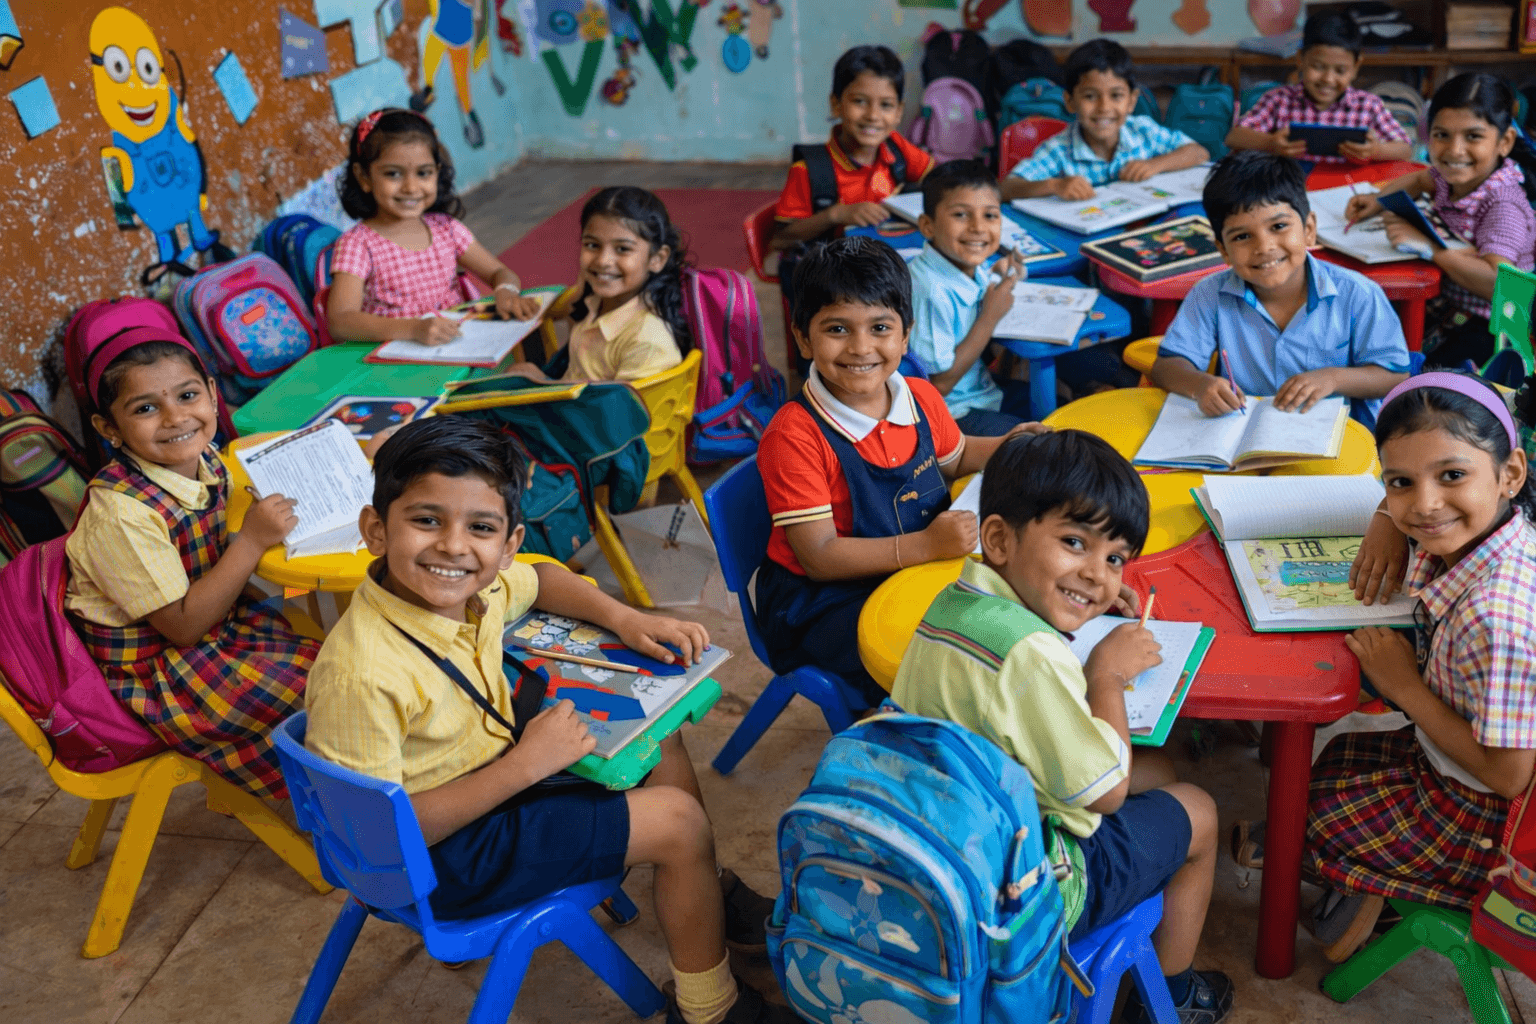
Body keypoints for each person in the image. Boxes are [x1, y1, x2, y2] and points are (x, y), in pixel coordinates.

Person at [304, 416, 790, 1024]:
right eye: (426, 520)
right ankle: (711, 1011)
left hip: (486, 779)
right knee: (679, 821)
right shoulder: (363, 671)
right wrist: (526, 765)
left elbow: (544, 579)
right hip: (445, 860)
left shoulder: (472, 589)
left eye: (480, 528)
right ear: (376, 529)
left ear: (507, 543)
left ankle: (703, 884)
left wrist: (625, 618)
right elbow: (383, 835)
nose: (454, 546)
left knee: (654, 732)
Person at [891, 430, 1232, 1024]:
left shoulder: (953, 602)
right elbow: (1108, 792)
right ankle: (1173, 995)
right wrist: (1106, 678)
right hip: (1025, 886)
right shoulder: (1032, 654)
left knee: (1162, 769)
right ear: (998, 538)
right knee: (1198, 808)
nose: (1099, 577)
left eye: (1115, 558)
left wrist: (1078, 584)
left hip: (949, 829)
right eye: (1075, 542)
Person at [1252, 373, 1534, 964]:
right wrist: (1387, 516)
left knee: (1304, 824)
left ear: (1510, 473)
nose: (1425, 504)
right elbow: (1421, 492)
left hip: (1490, 821)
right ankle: (1373, 877)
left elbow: (1508, 778)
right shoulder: (1499, 535)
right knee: (1330, 764)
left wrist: (1404, 687)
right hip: (1453, 769)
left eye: (1452, 476)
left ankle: (1382, 893)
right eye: (1401, 483)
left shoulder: (1500, 619)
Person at [756, 236, 1046, 712]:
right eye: (837, 329)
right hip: (824, 602)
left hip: (917, 569)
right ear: (803, 337)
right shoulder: (795, 435)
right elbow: (820, 557)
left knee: (1016, 605)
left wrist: (1009, 448)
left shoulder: (919, 397)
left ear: (905, 334)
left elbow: (952, 458)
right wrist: (926, 546)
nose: (861, 347)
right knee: (959, 665)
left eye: (880, 327)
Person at [65, 329, 312, 799]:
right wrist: (253, 541)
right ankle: (349, 808)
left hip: (222, 626)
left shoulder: (204, 459)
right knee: (328, 692)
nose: (176, 418)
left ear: (213, 395)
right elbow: (181, 627)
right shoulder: (120, 514)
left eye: (188, 395)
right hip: (163, 672)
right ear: (108, 428)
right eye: (144, 408)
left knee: (347, 656)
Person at [1151, 150, 1410, 426]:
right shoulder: (1209, 295)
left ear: (1309, 229)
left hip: (1338, 439)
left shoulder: (1358, 294)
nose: (1264, 247)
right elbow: (1167, 367)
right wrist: (1200, 384)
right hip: (1241, 434)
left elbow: (1394, 376)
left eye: (1278, 226)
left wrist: (1333, 378)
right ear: (1223, 250)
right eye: (1242, 236)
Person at [1343, 74, 1536, 370]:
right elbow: (1421, 178)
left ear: (1505, 141)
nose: (1454, 150)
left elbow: (1498, 284)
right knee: (1368, 335)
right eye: (1441, 135)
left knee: (1412, 377)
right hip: (1447, 300)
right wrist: (1378, 200)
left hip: (1491, 328)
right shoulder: (1448, 176)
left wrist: (1431, 247)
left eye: (1473, 136)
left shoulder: (1502, 205)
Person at [326, 108, 542, 346]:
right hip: (395, 366)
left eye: (423, 173)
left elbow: (500, 272)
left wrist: (506, 291)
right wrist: (414, 328)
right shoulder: (358, 244)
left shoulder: (447, 229)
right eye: (393, 174)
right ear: (364, 177)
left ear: (436, 174)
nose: (411, 187)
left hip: (456, 350)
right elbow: (340, 321)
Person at [506, 186, 688, 383]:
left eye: (622, 249)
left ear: (657, 259)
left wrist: (543, 384)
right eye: (592, 245)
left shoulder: (648, 341)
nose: (603, 261)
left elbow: (618, 412)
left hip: (586, 411)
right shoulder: (594, 300)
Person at [907, 159, 1032, 435]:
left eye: (990, 215)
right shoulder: (928, 289)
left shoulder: (965, 265)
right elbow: (938, 385)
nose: (978, 227)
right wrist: (989, 318)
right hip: (948, 414)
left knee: (1057, 408)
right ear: (927, 225)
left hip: (980, 391)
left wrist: (1005, 274)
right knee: (1033, 443)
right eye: (961, 215)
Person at [1002, 39, 1208, 201]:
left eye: (1116, 96)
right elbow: (1005, 188)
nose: (1104, 108)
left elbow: (1198, 153)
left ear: (1131, 101)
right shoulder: (1058, 150)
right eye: (1090, 96)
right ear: (1070, 102)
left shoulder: (1143, 132)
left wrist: (1155, 165)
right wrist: (1055, 185)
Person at [771, 44, 932, 247]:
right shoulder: (811, 171)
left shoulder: (896, 148)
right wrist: (836, 214)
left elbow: (937, 178)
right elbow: (779, 240)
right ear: (836, 104)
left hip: (890, 258)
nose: (873, 116)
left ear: (899, 112)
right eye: (860, 101)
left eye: (886, 105)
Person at [1226, 11, 1413, 166]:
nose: (1328, 79)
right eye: (1318, 66)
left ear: (1356, 66)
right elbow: (1234, 137)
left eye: (1340, 70)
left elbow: (1405, 149)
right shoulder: (1278, 100)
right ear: (1300, 60)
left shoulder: (1368, 106)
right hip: (1290, 192)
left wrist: (1375, 150)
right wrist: (1270, 143)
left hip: (1348, 194)